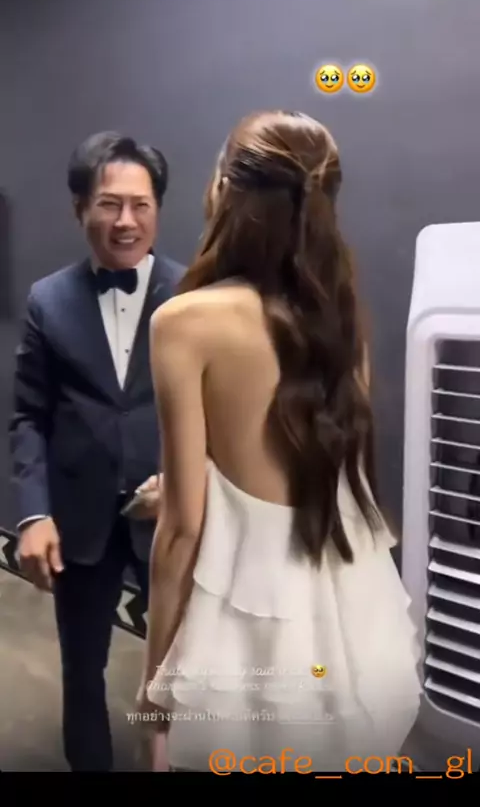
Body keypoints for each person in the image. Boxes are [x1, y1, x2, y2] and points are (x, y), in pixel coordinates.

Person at [136, 110, 422, 772]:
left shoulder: (183, 322)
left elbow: (182, 531)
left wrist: (153, 691)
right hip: (353, 609)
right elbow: (309, 469)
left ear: (226, 191)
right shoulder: (341, 320)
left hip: (245, 626)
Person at [9, 131, 184, 772]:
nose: (125, 221)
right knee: (82, 671)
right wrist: (33, 512)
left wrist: (185, 481)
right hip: (80, 521)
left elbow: (225, 414)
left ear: (158, 209)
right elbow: (28, 415)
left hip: (175, 519)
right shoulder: (47, 299)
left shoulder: (194, 294)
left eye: (141, 205)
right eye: (109, 204)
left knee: (189, 673)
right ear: (80, 208)